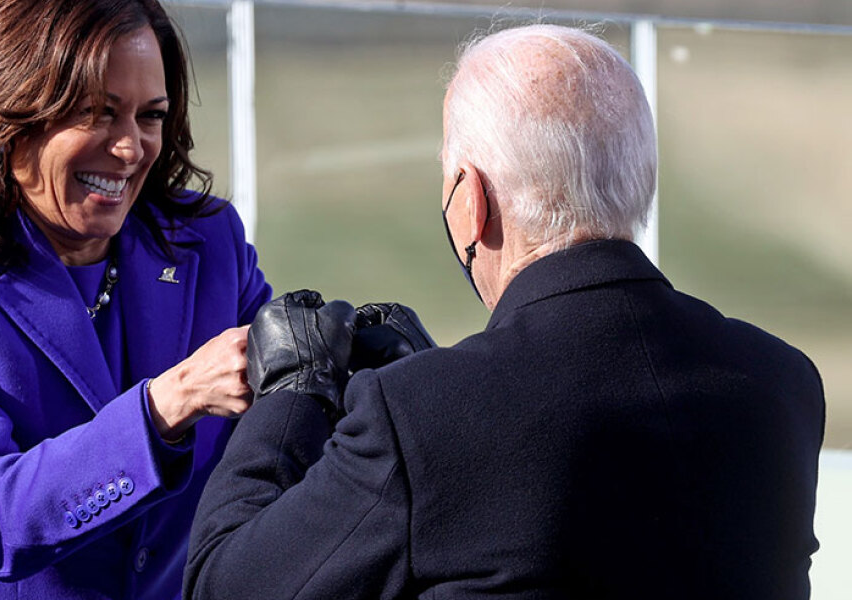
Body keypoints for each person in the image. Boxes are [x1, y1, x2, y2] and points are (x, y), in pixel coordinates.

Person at [184, 24, 825, 600]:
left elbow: (224, 583)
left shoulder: (419, 418)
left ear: (471, 201)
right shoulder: (782, 384)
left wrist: (293, 395)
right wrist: (439, 387)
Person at [0, 0, 271, 597]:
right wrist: (170, 403)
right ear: (7, 112)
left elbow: (283, 439)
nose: (130, 148)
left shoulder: (209, 244)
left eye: (150, 116)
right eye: (97, 113)